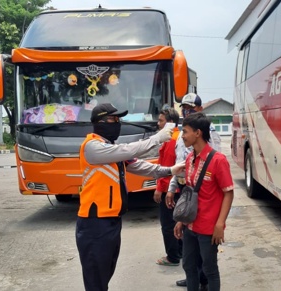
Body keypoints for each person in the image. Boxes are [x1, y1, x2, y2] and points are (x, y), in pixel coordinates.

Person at [76, 103, 185, 291]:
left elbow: (139, 166)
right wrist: (157, 138)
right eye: (113, 120)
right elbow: (129, 151)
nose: (117, 123)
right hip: (94, 222)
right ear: (99, 122)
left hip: (111, 220)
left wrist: (170, 170)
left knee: (105, 272)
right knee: (96, 278)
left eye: (119, 120)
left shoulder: (110, 148)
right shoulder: (93, 147)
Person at [164, 93, 221, 289]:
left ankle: (203, 278)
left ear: (199, 108)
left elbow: (216, 163)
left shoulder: (207, 130)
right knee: (189, 247)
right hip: (186, 187)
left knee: (206, 253)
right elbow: (180, 163)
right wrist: (172, 187)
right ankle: (193, 277)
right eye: (184, 107)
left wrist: (219, 222)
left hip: (204, 187)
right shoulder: (183, 133)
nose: (185, 110)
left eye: (190, 107)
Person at [174, 112, 234, 291]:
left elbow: (228, 194)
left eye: (185, 131)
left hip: (208, 228)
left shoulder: (218, 160)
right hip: (190, 226)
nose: (182, 136)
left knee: (209, 270)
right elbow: (190, 193)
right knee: (189, 267)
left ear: (198, 133)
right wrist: (181, 220)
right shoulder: (189, 158)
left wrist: (220, 224)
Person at [153, 108, 182, 266]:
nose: (158, 124)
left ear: (170, 123)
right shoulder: (179, 137)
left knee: (168, 224)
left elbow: (167, 168)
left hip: (170, 189)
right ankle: (180, 251)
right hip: (178, 187)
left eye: (161, 121)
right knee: (178, 220)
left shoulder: (170, 140)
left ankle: (172, 257)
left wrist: (160, 188)